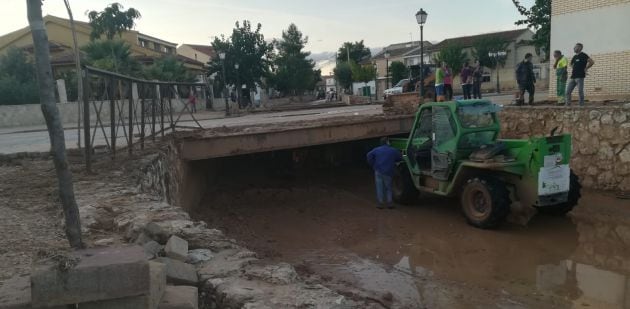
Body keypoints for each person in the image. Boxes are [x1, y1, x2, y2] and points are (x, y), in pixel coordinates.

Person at [366, 137, 402, 209]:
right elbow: (400, 157)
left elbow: (368, 155)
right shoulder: (392, 150)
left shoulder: (376, 150)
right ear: (387, 142)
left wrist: (373, 164)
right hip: (388, 172)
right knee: (388, 187)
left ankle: (380, 203)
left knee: (379, 187)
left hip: (378, 171)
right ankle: (390, 203)